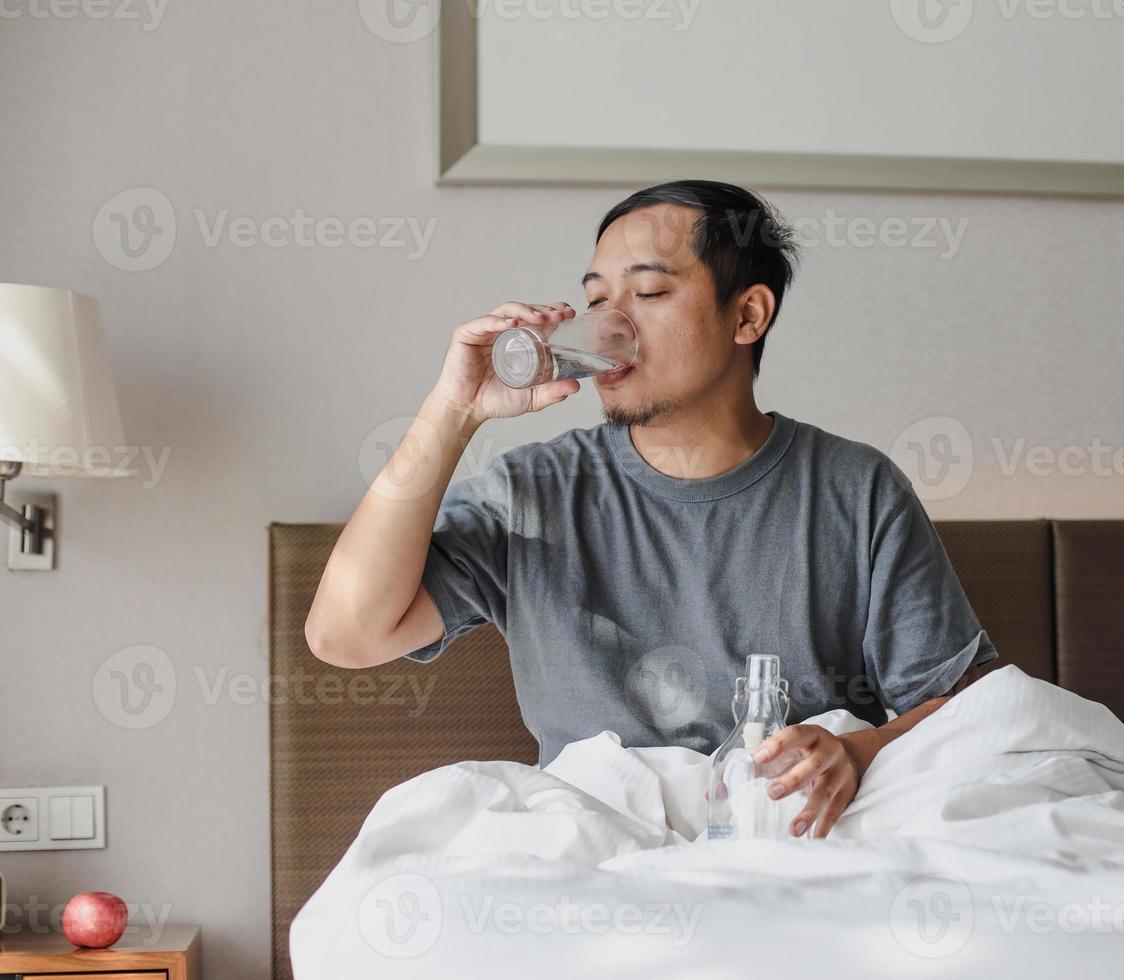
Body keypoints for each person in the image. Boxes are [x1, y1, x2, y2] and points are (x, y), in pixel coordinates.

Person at [306, 179, 998, 838]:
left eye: (649, 292)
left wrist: (863, 751)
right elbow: (345, 635)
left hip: (790, 836)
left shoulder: (855, 489)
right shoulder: (534, 493)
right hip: (595, 847)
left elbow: (973, 710)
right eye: (597, 298)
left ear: (748, 314)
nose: (611, 324)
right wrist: (453, 411)